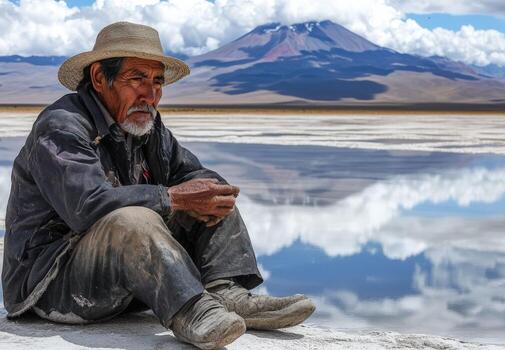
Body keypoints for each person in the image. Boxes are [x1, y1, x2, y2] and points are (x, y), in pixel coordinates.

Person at [1, 21, 315, 349]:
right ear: (98, 78)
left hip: (118, 279)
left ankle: (227, 291)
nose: (150, 95)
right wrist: (171, 198)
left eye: (157, 82)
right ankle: (192, 309)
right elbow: (87, 207)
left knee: (207, 193)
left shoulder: (146, 125)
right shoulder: (62, 127)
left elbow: (190, 175)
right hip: (50, 282)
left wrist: (208, 195)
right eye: (137, 78)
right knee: (136, 218)